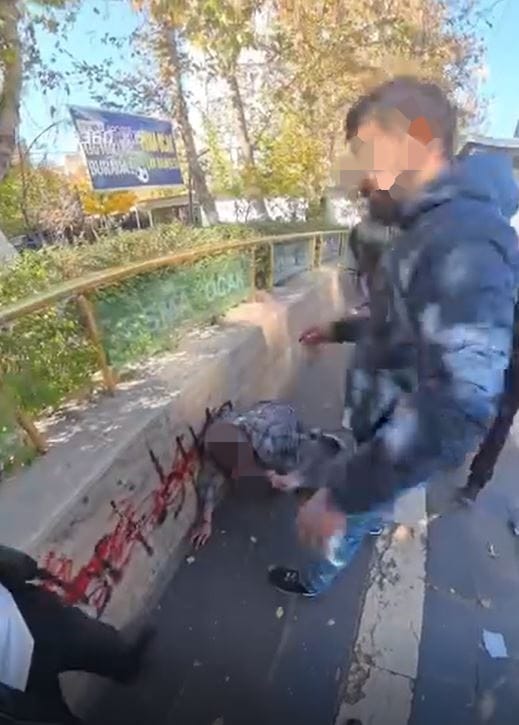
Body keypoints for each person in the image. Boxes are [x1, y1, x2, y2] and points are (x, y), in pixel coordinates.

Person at [267, 76, 519, 597]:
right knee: (363, 503)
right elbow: (405, 325)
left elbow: (460, 404)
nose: (358, 178)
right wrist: (338, 329)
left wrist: (341, 494)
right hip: (384, 426)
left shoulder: (462, 237)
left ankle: (315, 580)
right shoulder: (432, 229)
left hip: (394, 432)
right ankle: (361, 512)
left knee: (351, 516)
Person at [0, 544, 154, 724]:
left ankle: (128, 665)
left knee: (102, 643)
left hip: (25, 613)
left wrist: (21, 564)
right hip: (13, 682)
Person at [190, 400, 358, 550]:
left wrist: (297, 478)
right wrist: (206, 521)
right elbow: (208, 481)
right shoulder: (220, 449)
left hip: (284, 430)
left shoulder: (275, 438)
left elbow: (330, 446)